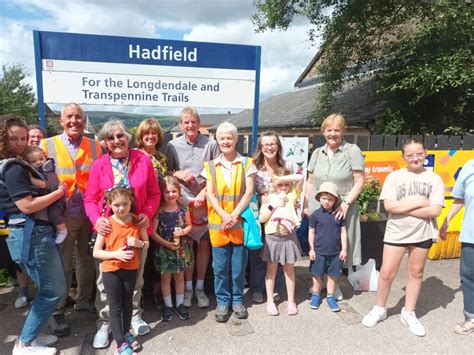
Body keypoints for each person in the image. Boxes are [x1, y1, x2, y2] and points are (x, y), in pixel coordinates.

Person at [84, 120, 160, 349]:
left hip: (135, 230)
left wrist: (147, 213)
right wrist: (97, 220)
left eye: (120, 136)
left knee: (134, 277)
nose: (116, 141)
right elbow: (89, 199)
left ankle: (134, 316)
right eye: (110, 138)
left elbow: (154, 193)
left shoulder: (142, 160)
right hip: (109, 232)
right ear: (105, 143)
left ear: (128, 137)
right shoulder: (99, 165)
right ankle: (106, 322)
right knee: (105, 281)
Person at [362, 138, 445, 337]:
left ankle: (408, 312)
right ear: (403, 157)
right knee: (387, 273)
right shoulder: (394, 177)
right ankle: (380, 309)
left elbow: (435, 210)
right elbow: (390, 206)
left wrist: (406, 209)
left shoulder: (434, 179)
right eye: (410, 155)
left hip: (422, 233)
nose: (415, 158)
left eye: (419, 153)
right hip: (396, 232)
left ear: (425, 153)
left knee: (416, 273)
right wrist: (419, 202)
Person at [0, 114, 67, 354]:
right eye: (12, 139)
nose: (19, 143)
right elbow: (26, 206)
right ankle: (25, 343)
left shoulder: (16, 166)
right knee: (53, 290)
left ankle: (32, 336)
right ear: (2, 139)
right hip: (31, 233)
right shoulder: (13, 168)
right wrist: (59, 193)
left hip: (33, 232)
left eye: (23, 138)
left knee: (48, 287)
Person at [41, 103, 102, 336]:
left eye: (78, 117)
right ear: (61, 121)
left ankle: (84, 301)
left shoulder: (96, 146)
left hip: (90, 213)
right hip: (62, 215)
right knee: (62, 264)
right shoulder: (46, 145)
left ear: (84, 120)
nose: (74, 120)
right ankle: (57, 310)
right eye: (69, 117)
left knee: (87, 260)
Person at [303, 113, 364, 300]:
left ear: (343, 131)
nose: (332, 134)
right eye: (329, 130)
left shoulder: (352, 151)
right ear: (323, 132)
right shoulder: (317, 153)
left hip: (342, 206)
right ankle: (319, 283)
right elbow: (310, 181)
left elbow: (359, 181)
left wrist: (346, 204)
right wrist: (306, 204)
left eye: (336, 130)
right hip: (318, 206)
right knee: (320, 245)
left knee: (336, 247)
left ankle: (333, 285)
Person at [202, 121, 256, 323]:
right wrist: (225, 216)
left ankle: (238, 300)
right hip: (219, 227)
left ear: (236, 140)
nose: (226, 141)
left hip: (239, 224)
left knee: (238, 268)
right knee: (220, 268)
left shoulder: (247, 163)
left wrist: (233, 215)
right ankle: (223, 302)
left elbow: (249, 191)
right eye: (222, 138)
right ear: (217, 140)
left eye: (229, 137)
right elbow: (210, 194)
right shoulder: (210, 166)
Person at [166, 106, 220, 309]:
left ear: (199, 123)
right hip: (182, 203)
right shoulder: (172, 145)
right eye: (186, 122)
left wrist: (202, 195)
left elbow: (216, 174)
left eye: (193, 121)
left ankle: (199, 287)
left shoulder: (211, 144)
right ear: (181, 124)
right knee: (186, 246)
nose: (190, 125)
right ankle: (187, 289)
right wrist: (178, 174)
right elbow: (168, 173)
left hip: (206, 201)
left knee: (204, 245)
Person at [93, 185, 149, 355]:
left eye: (125, 204)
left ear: (131, 202)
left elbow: (146, 243)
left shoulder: (137, 222)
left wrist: (139, 244)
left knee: (127, 304)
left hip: (131, 269)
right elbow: (96, 252)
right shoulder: (107, 224)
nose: (121, 208)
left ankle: (125, 334)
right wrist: (115, 254)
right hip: (111, 270)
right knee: (115, 306)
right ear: (109, 204)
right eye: (116, 205)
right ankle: (119, 343)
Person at [251, 131, 291, 303]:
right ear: (261, 147)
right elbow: (248, 192)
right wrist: (261, 198)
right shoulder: (254, 168)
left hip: (281, 217)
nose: (269, 147)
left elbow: (294, 190)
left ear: (278, 146)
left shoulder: (286, 167)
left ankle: (276, 288)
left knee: (279, 255)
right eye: (265, 144)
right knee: (260, 254)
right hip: (261, 215)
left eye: (273, 144)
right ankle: (257, 289)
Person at [259, 169, 303, 316]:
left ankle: (291, 301)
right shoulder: (268, 198)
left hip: (288, 238)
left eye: (286, 184)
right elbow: (262, 218)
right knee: (270, 271)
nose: (283, 187)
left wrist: (281, 177)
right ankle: (270, 301)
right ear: (274, 185)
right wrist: (273, 205)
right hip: (272, 238)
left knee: (289, 271)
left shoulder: (291, 196)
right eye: (280, 184)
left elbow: (301, 177)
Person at [151, 176, 193, 322]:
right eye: (167, 192)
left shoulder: (183, 209)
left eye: (174, 191)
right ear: (161, 193)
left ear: (179, 192)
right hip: (164, 250)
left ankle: (180, 304)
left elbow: (189, 226)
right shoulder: (159, 211)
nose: (170, 195)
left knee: (180, 277)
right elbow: (152, 232)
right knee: (165, 278)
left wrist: (183, 232)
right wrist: (166, 243)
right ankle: (168, 305)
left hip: (180, 249)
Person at [439, 159, 474, 335]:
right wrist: (446, 221)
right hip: (471, 235)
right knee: (468, 277)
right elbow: (459, 199)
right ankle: (471, 319)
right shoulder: (468, 167)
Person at [136, 117, 167, 310]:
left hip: (160, 212)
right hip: (141, 213)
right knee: (140, 255)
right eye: (146, 133)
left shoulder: (162, 157)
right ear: (140, 136)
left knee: (157, 254)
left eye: (153, 133)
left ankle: (156, 294)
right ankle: (139, 295)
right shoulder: (134, 157)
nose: (150, 136)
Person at [308, 182, 347, 313]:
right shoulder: (315, 215)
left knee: (332, 276)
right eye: (324, 198)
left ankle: (330, 296)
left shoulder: (339, 215)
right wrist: (311, 249)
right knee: (317, 275)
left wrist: (344, 249)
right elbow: (311, 232)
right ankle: (315, 294)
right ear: (319, 198)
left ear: (335, 200)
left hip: (335, 252)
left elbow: (343, 232)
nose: (327, 202)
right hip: (318, 251)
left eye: (330, 199)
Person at [24, 145, 68, 244]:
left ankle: (62, 230)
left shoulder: (47, 169)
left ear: (45, 157)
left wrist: (30, 179)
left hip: (57, 200)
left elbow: (44, 185)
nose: (38, 162)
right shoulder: (38, 170)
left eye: (41, 159)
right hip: (51, 198)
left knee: (53, 214)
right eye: (34, 161)